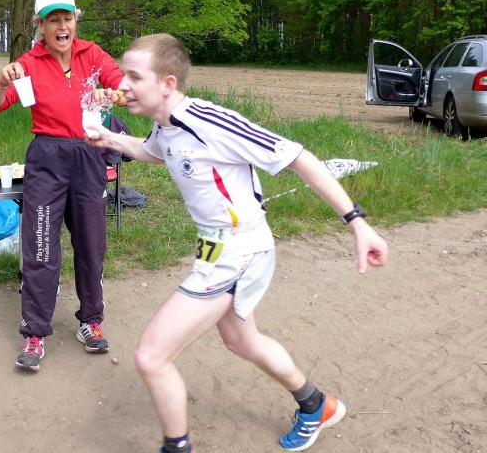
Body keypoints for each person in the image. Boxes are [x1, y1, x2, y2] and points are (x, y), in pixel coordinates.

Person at [87, 34, 389, 452]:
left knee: (151, 357)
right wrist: (111, 139)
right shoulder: (165, 123)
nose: (122, 85)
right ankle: (316, 405)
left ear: (168, 84)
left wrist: (357, 222)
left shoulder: (211, 122)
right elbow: (157, 151)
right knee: (241, 340)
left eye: (134, 76)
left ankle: (177, 447)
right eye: (124, 74)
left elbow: (299, 158)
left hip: (239, 251)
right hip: (217, 248)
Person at [0, 0, 122, 371]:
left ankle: (90, 321)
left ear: (76, 20)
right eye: (53, 20)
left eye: (67, 19)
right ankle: (35, 333)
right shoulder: (28, 63)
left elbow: (122, 86)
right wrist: (2, 82)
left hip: (88, 155)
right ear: (40, 25)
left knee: (91, 244)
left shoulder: (92, 54)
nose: (62, 27)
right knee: (41, 247)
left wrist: (114, 95)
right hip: (47, 158)